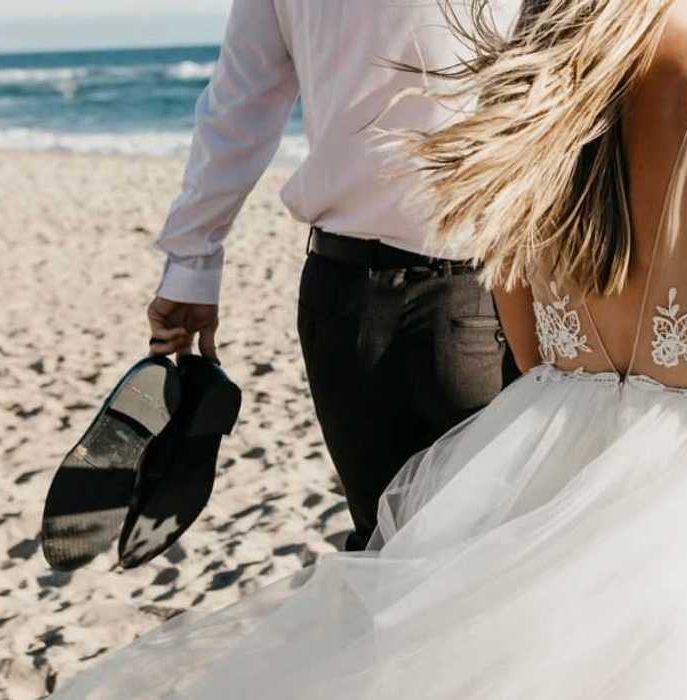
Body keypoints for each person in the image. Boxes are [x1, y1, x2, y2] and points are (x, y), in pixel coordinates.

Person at [55, 0, 687, 696]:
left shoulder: (529, 114)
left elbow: (527, 343)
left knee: (434, 626)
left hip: (508, 417)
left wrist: (193, 256)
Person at [143, 0, 520, 552]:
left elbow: (239, 106)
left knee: (386, 551)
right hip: (475, 289)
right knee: (486, 554)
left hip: (347, 293)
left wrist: (191, 266)